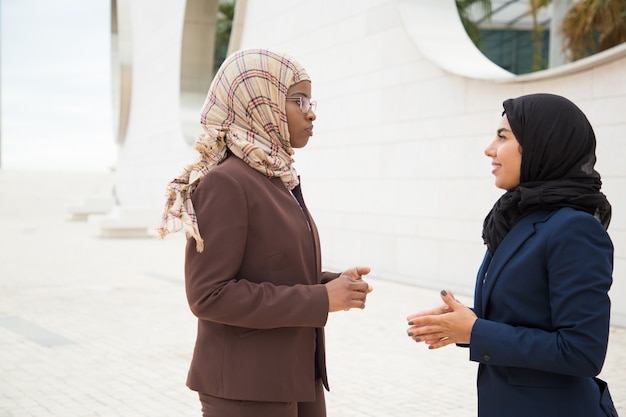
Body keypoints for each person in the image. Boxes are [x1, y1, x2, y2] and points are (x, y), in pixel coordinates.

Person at [158, 49, 372, 417]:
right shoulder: (225, 182)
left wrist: (332, 285)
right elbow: (209, 295)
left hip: (293, 377)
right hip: (246, 391)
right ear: (259, 103)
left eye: (310, 100)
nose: (311, 111)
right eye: (296, 100)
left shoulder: (273, 178)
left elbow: (268, 271)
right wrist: (320, 300)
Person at [406, 93, 618, 417]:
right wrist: (463, 323)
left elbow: (582, 351)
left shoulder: (574, 229)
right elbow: (529, 318)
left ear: (541, 145)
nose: (489, 148)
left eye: (502, 136)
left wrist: (476, 331)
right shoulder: (519, 217)